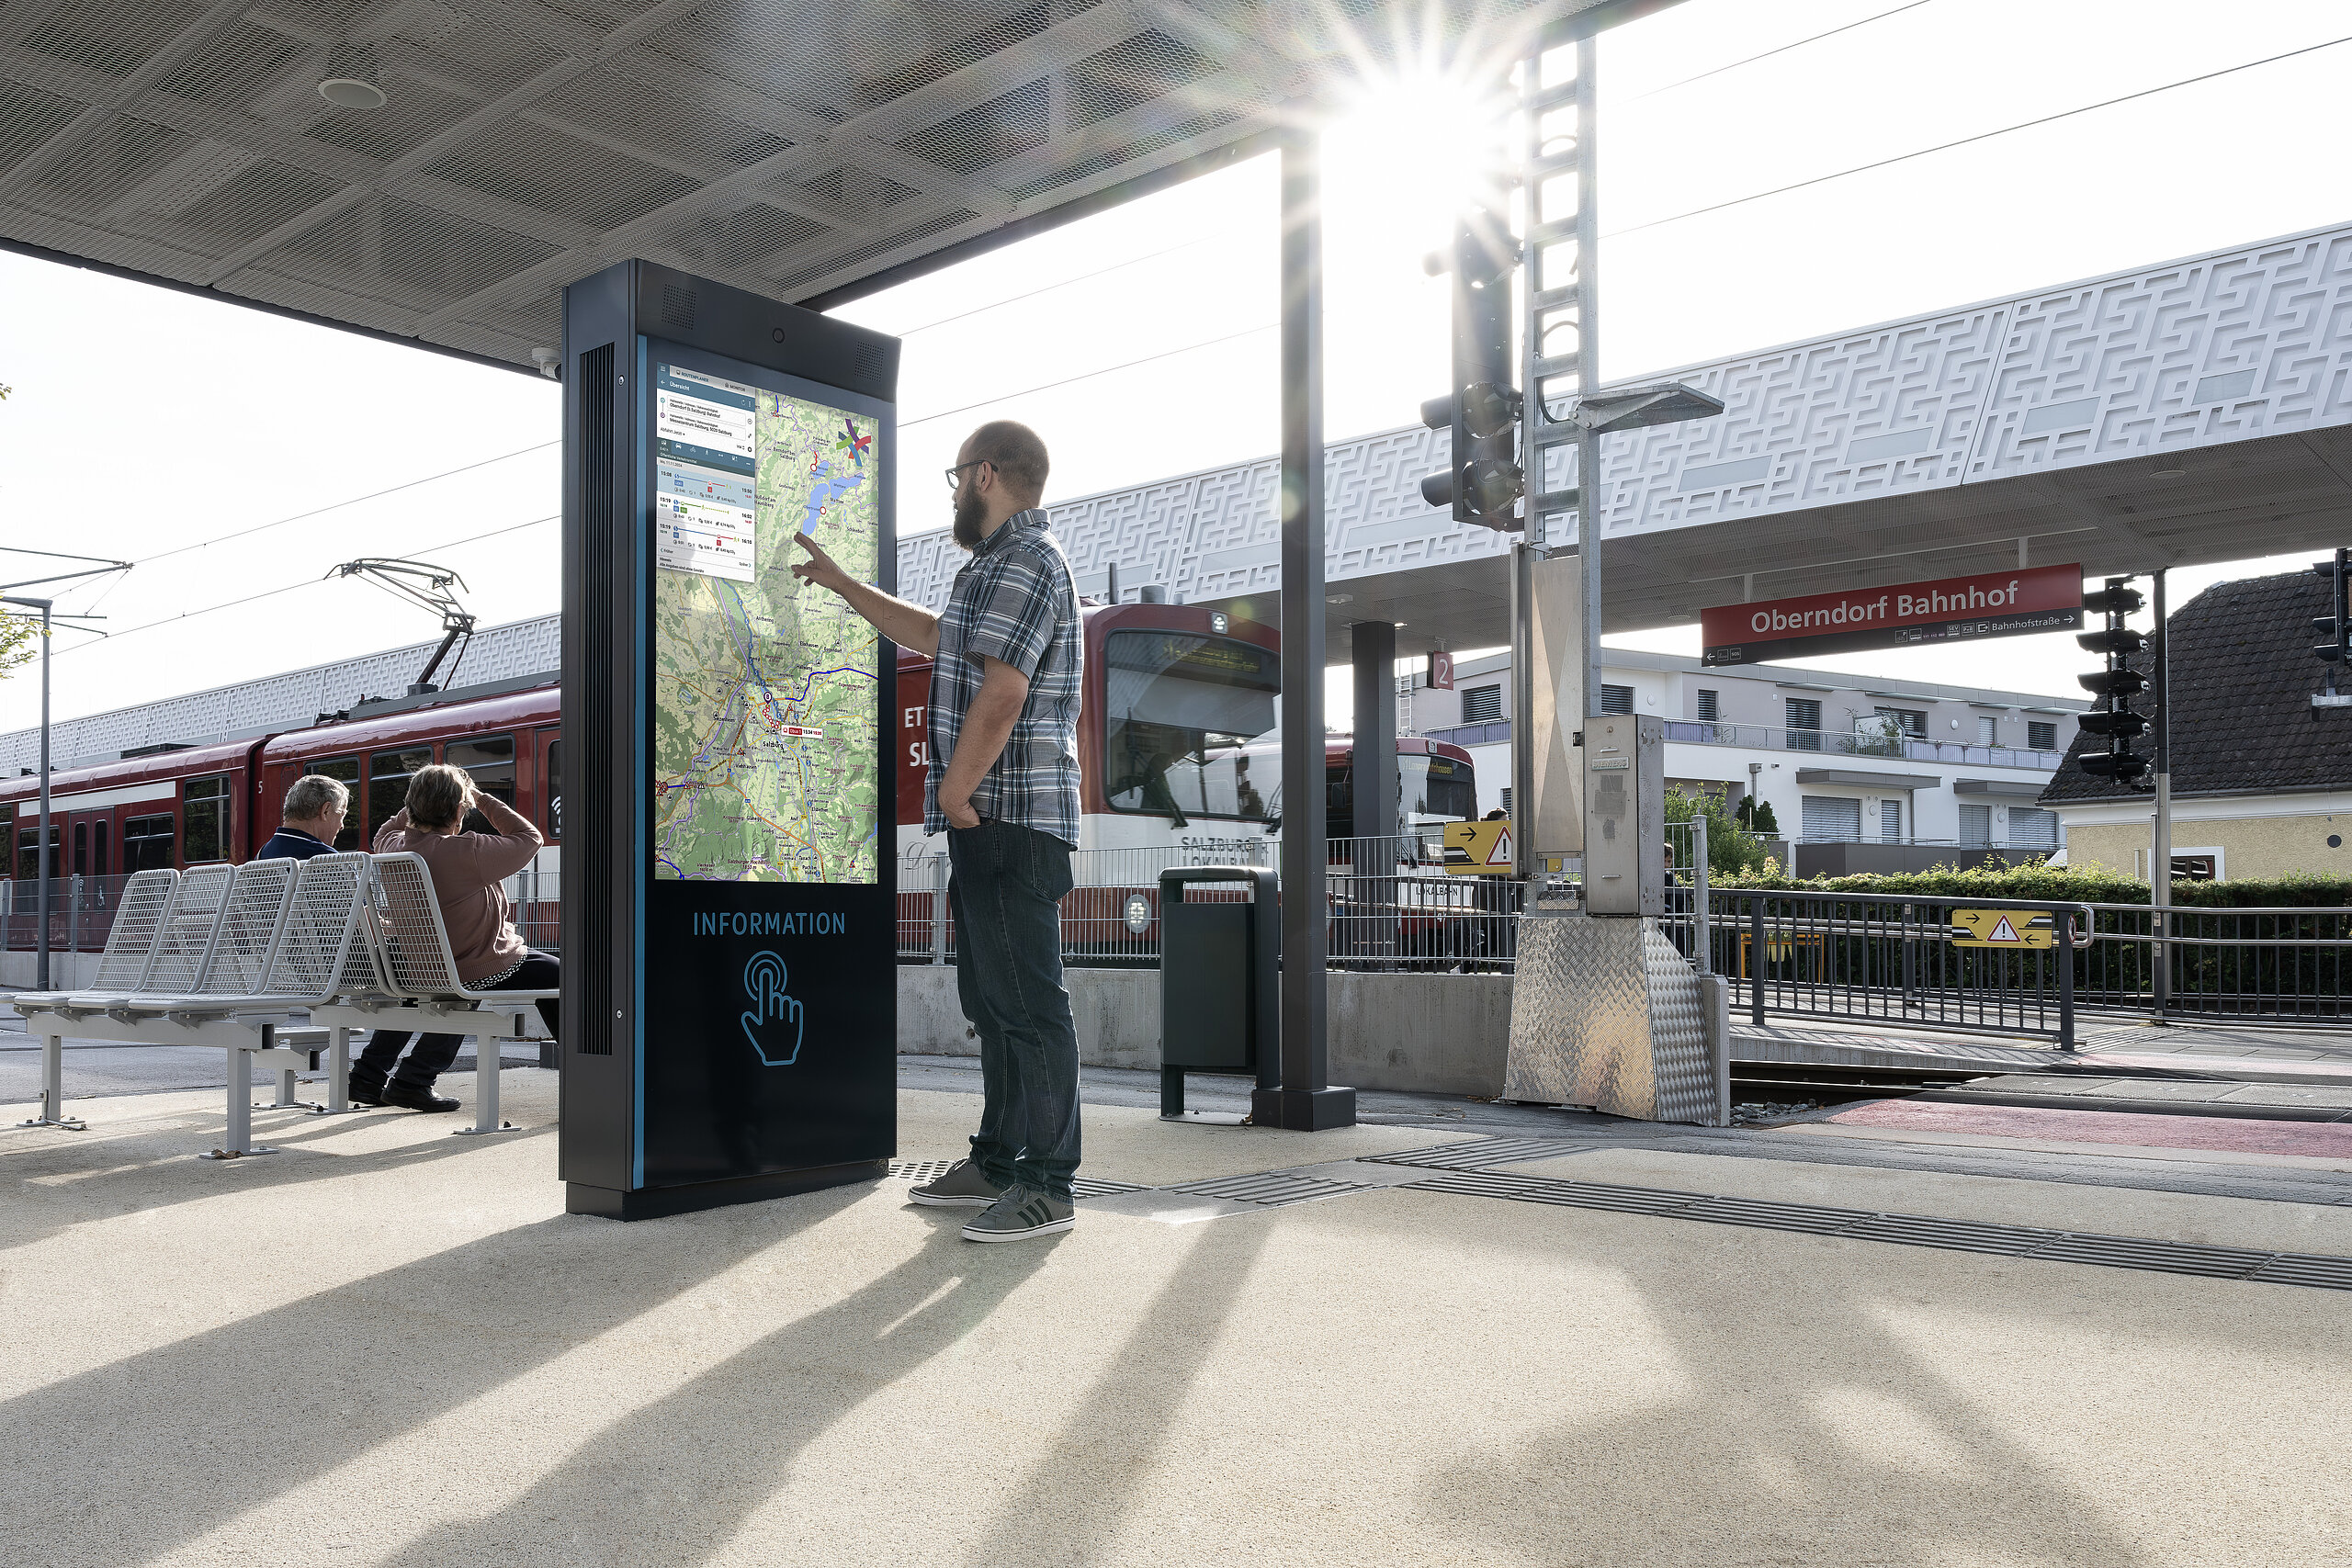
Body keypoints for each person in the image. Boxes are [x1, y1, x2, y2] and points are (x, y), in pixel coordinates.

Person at [793, 419, 1081, 1243]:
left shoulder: (1028, 560)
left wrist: (956, 794)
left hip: (1009, 815)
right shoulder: (991, 567)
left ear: (984, 474)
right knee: (993, 1004)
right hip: (991, 819)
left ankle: (1048, 1185)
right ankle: (997, 1159)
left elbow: (1005, 690)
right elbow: (930, 635)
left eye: (957, 478)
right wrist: (844, 584)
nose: (955, 494)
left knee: (1028, 1006)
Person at [349, 764, 560, 1112]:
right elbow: (529, 837)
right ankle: (586, 1072)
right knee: (564, 977)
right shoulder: (468, 850)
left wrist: (418, 802)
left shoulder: (392, 846)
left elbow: (386, 828)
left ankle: (369, 1077)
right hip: (476, 964)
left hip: (422, 966)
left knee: (440, 992)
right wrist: (481, 797)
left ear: (412, 807)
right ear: (460, 809)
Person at [257, 774, 350, 861]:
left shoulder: (262, 854)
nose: (341, 826)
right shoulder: (328, 859)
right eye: (341, 815)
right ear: (325, 811)